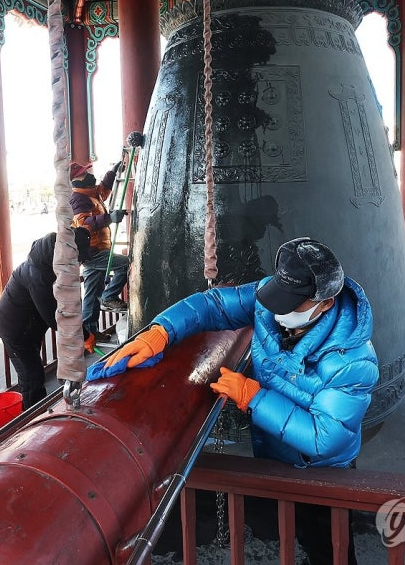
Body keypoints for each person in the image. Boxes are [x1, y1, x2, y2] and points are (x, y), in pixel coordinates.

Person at [92, 237, 378, 564]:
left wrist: (252, 397)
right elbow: (215, 305)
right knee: (285, 532)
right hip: (272, 453)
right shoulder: (273, 299)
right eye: (278, 296)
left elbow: (325, 438)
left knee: (330, 547)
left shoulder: (353, 361)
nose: (277, 309)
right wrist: (162, 332)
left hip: (322, 473)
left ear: (324, 302)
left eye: (292, 303)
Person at [0, 230, 94, 409]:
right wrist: (84, 335)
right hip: (14, 330)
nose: (78, 264)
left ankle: (36, 414)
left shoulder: (52, 263)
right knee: (32, 377)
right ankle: (32, 423)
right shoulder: (38, 274)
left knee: (33, 373)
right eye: (77, 259)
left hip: (29, 329)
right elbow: (55, 317)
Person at [70, 160, 130, 340]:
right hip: (93, 251)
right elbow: (83, 223)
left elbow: (103, 188)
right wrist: (109, 218)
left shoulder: (91, 193)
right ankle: (110, 296)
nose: (89, 174)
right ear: (76, 179)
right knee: (127, 264)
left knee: (91, 296)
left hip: (95, 250)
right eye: (85, 173)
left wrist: (112, 171)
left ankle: (90, 333)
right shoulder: (78, 198)